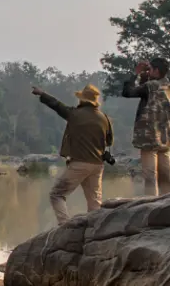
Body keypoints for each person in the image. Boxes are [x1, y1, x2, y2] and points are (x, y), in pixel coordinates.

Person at [31, 83, 114, 225]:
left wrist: (42, 93)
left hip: (79, 164)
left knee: (57, 194)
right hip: (97, 165)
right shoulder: (104, 118)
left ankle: (65, 225)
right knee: (94, 203)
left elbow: (57, 105)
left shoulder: (74, 114)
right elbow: (109, 141)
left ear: (82, 100)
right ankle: (95, 230)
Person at [122, 58, 170, 196]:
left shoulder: (151, 86)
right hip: (165, 139)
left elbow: (128, 92)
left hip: (149, 139)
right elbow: (148, 93)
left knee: (150, 177)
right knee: (167, 177)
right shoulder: (168, 87)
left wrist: (136, 73)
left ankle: (150, 205)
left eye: (151, 69)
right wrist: (147, 75)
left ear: (156, 71)